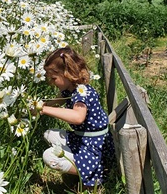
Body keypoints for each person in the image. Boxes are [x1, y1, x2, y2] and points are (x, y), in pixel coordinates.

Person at [39, 46, 115, 188]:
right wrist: (40, 105)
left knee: (49, 157)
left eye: (54, 78)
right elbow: (54, 102)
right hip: (83, 138)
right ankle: (79, 168)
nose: (51, 82)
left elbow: (77, 117)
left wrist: (44, 109)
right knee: (49, 134)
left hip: (95, 146)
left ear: (67, 73)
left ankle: (93, 175)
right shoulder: (70, 90)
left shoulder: (82, 92)